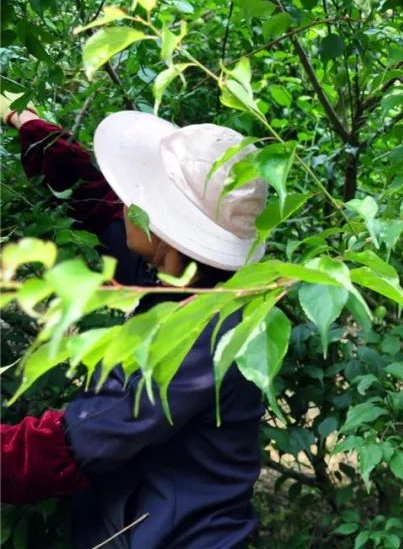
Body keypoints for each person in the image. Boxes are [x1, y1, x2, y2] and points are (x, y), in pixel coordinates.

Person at [1, 92, 268, 549]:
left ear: (169, 232)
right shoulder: (186, 275)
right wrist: (27, 122)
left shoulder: (201, 335)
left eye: (145, 197)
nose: (128, 198)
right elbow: (95, 197)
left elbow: (67, 446)